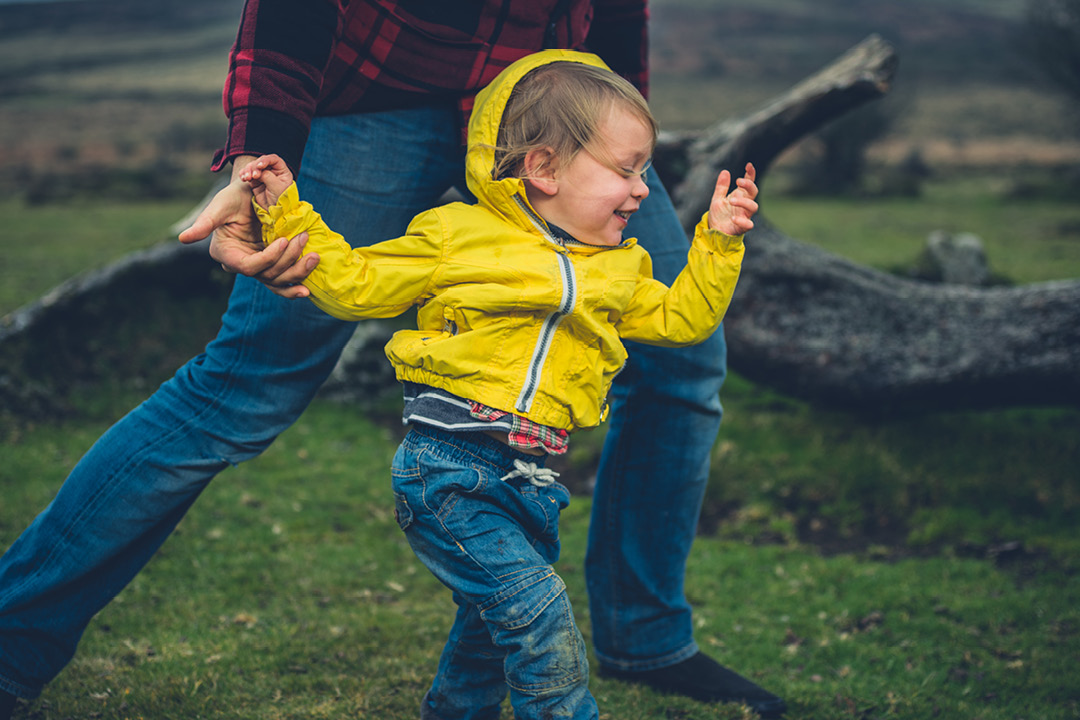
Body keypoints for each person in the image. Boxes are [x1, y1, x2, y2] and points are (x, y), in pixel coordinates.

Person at [0, 2, 786, 718]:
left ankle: (643, 636)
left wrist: (621, 138)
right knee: (244, 384)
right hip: (383, 98)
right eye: (635, 174)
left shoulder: (594, 164)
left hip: (553, 111)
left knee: (683, 367)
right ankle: (11, 646)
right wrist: (261, 164)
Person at [236, 50, 757, 719]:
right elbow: (354, 283)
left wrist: (716, 243)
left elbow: (684, 320)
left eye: (644, 171)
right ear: (542, 167)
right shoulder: (457, 237)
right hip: (449, 473)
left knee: (488, 633)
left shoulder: (619, 269)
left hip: (534, 485)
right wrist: (287, 214)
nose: (641, 190)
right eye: (625, 170)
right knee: (539, 616)